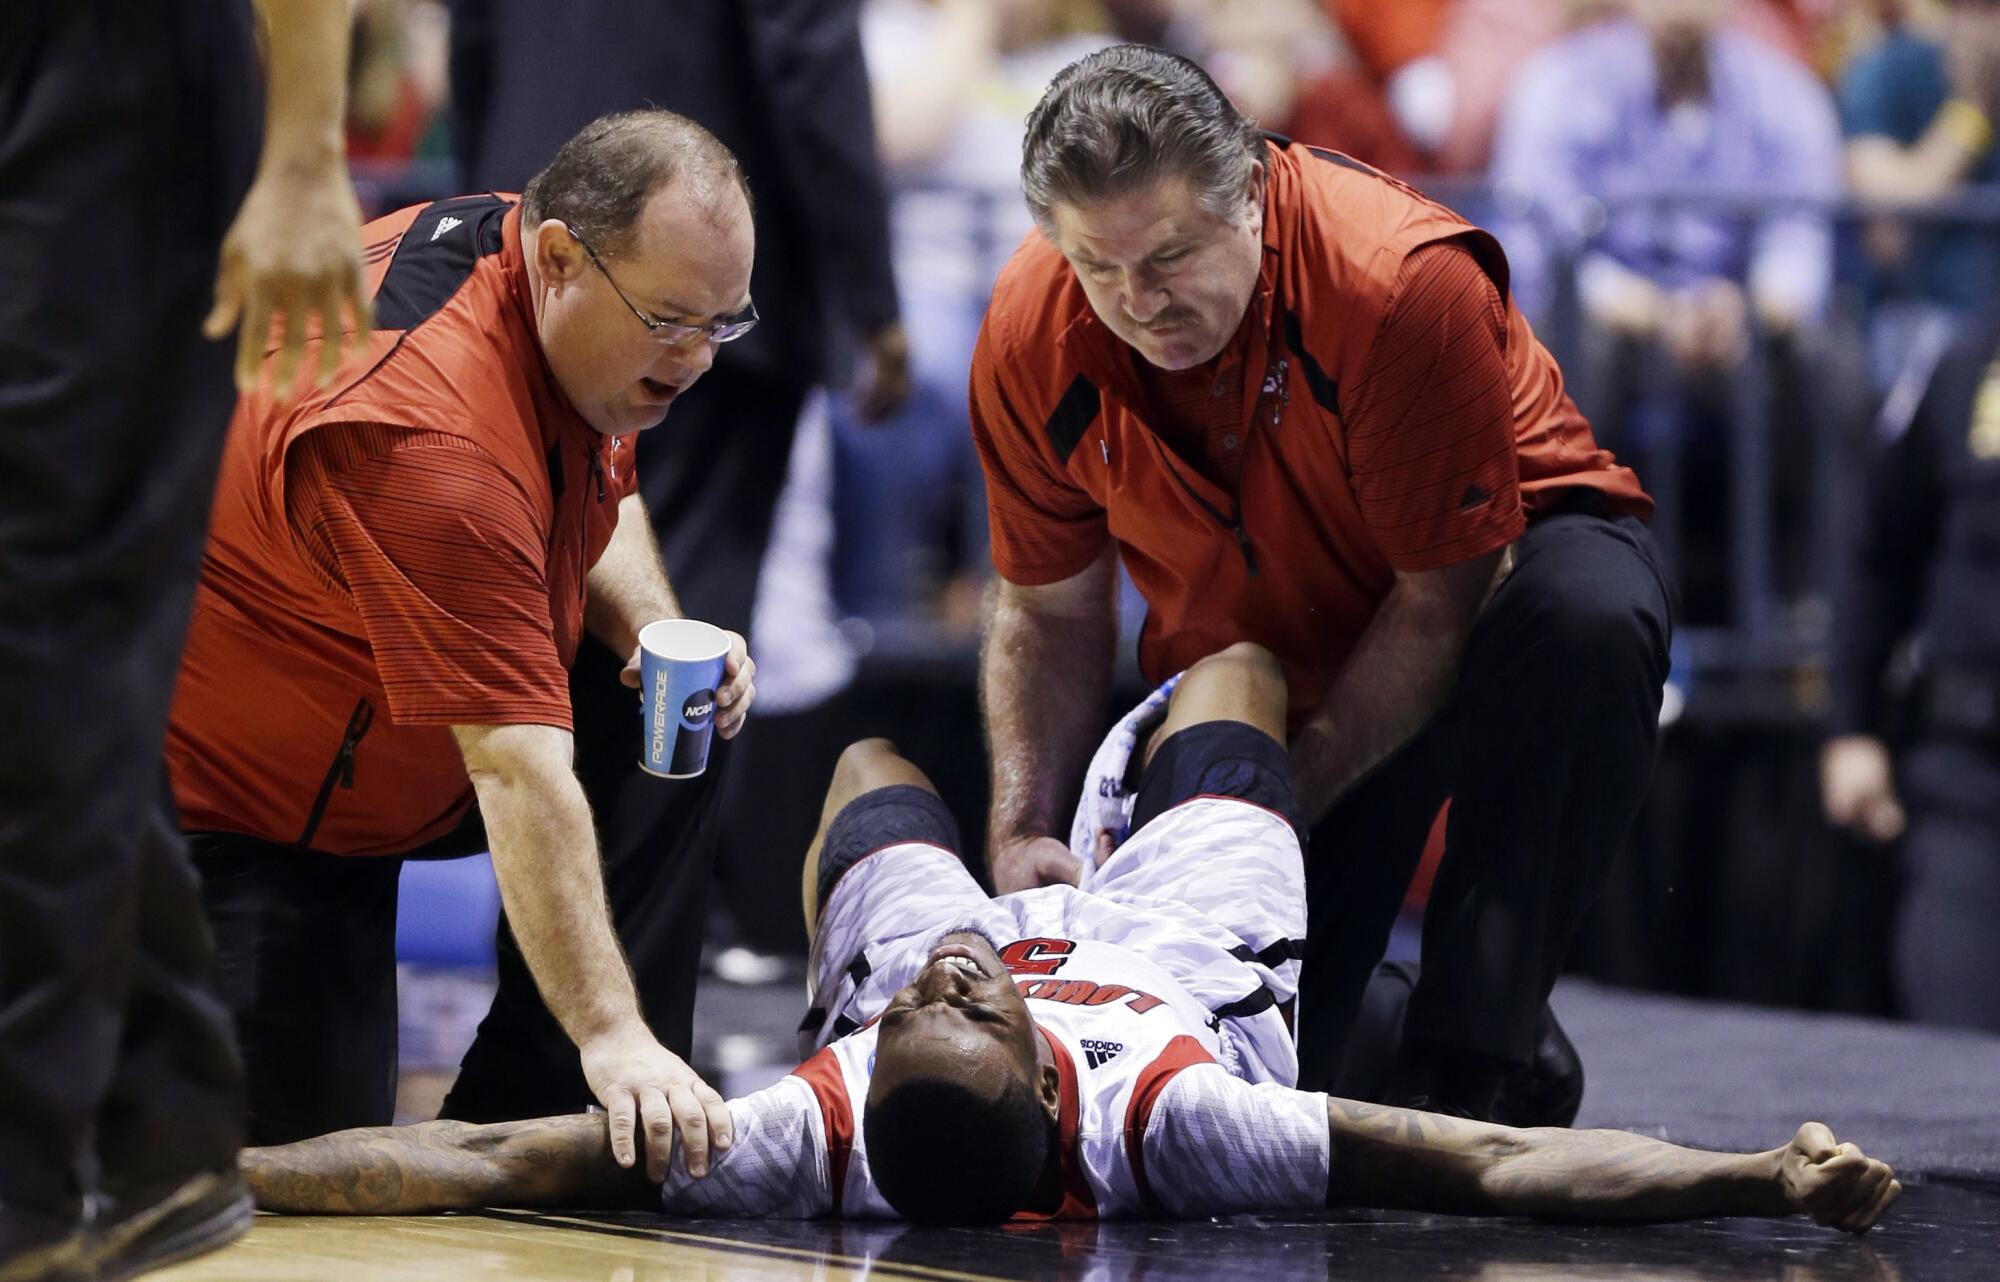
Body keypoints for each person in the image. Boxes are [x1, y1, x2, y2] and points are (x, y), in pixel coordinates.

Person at [237, 644, 1898, 1232]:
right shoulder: (1181, 1121)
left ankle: (1040, 820)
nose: (970, 977)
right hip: (1177, 960)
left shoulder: (811, 1125)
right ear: (1049, 1083)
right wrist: (1759, 1174)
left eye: (923, 1002)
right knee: (1237, 669)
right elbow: (1482, 1165)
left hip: (985, 996)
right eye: (980, 1001)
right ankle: (1140, 814)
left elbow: (497, 1166)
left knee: (877, 769)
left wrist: (221, 1177)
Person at [966, 45, 1671, 1117]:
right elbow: (1046, 608)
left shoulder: (1393, 282)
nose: (1135, 301)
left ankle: (1479, 1041)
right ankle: (1391, 1030)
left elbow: (1441, 599)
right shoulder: (1030, 325)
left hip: (1492, 566)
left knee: (1584, 620)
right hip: (1265, 637)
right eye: (1096, 269)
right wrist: (1022, 831)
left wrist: (1276, 808)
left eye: (1166, 256)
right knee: (1248, 1081)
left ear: (1247, 190)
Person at [161, 110, 758, 1186]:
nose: (697, 358)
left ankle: (553, 1096)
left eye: (724, 323)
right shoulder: (430, 448)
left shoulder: (530, 271)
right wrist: (612, 1026)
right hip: (244, 811)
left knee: (677, 693)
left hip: (373, 740)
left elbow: (600, 461)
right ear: (560, 257)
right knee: (265, 1203)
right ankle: (600, 1063)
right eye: (671, 321)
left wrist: (651, 626)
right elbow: (515, 767)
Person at [0, 0, 370, 1277]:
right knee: (40, 636)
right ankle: (160, 1125)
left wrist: (308, 146)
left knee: (45, 606)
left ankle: (25, 1189)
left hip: (117, 64)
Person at [448, 0, 906, 1021]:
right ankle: (618, 1007)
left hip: (525, 239)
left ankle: (551, 993)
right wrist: (867, 295)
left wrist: (482, 226)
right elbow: (810, 62)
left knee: (619, 621)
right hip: (704, 261)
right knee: (673, 644)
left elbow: (472, 41)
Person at [1821, 313, 2000, 1034]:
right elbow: (1879, 557)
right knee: (1954, 1064)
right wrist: (1852, 728)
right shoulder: (1968, 367)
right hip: (1972, 785)